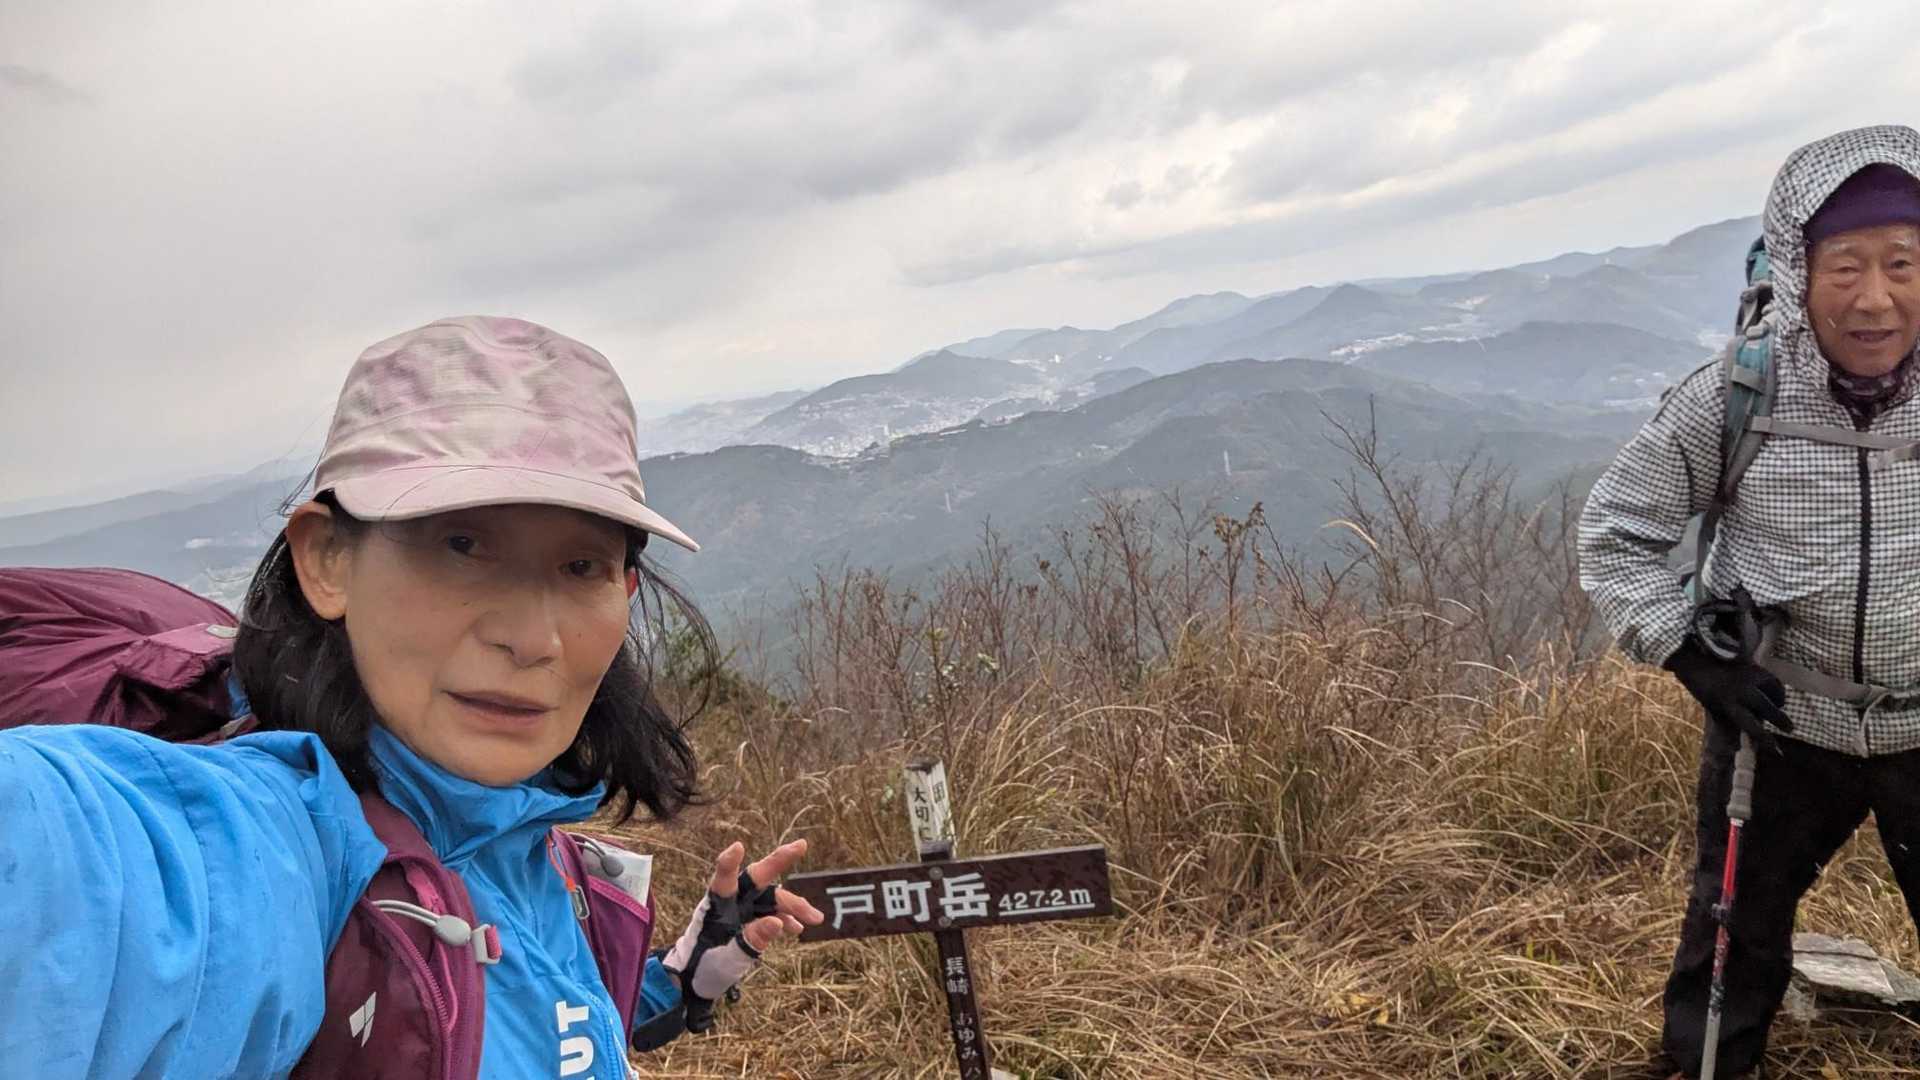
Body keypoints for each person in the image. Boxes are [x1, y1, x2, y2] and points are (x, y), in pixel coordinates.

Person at [0, 315, 825, 1077]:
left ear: (626, 592)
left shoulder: (537, 848)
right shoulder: (280, 859)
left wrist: (692, 970)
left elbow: (551, 1022)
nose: (533, 639)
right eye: (462, 545)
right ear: (326, 559)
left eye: (581, 567)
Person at [1580, 125, 1920, 1078]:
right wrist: (1689, 652)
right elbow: (1616, 532)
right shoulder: (1737, 395)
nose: (1875, 297)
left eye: (1902, 263)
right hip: (1778, 723)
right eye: (1845, 266)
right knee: (1736, 933)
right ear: (1798, 272)